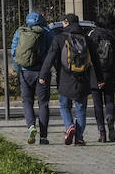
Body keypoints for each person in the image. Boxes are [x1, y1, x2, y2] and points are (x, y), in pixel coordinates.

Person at [40, 13, 95, 146]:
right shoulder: (86, 39)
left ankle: (69, 126)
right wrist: (98, 78)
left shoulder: (59, 38)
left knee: (64, 105)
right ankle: (80, 138)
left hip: (64, 78)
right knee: (81, 108)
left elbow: (50, 58)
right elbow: (96, 60)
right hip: (83, 78)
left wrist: (43, 75)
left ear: (66, 23)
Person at [11, 11, 54, 144]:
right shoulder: (47, 32)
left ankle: (31, 126)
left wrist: (18, 71)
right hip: (42, 73)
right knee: (43, 103)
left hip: (25, 72)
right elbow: (52, 52)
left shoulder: (20, 31)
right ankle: (43, 137)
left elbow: (14, 52)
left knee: (27, 101)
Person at [87, 13, 115, 142]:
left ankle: (101, 132)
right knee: (110, 99)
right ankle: (110, 117)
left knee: (97, 104)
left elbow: (87, 55)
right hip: (110, 73)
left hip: (94, 73)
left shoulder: (92, 35)